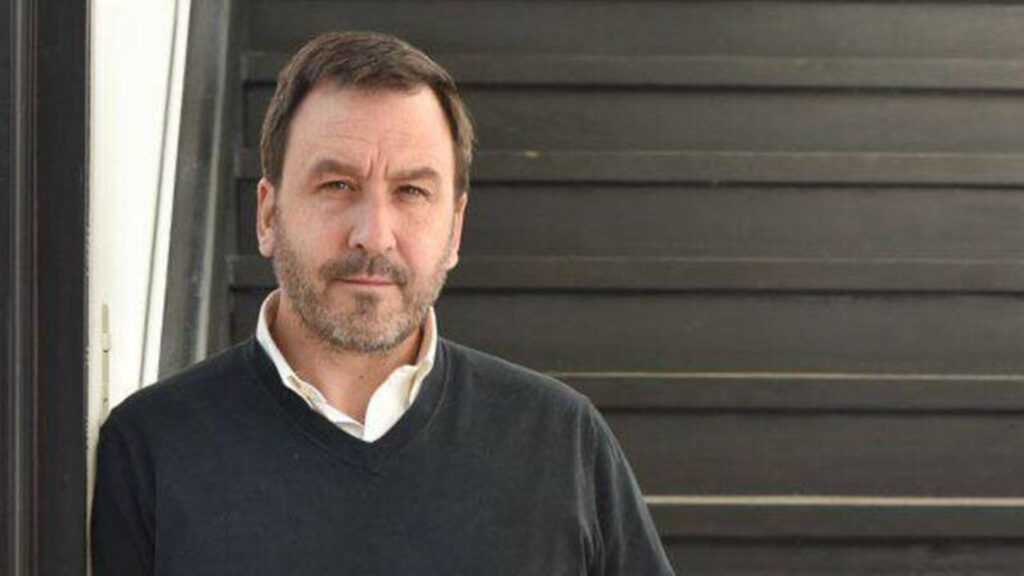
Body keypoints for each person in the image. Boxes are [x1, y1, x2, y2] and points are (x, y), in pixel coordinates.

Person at [91, 31, 675, 576]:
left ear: (455, 229)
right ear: (268, 215)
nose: (374, 235)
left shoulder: (561, 441)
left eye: (412, 191)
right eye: (337, 185)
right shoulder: (153, 448)